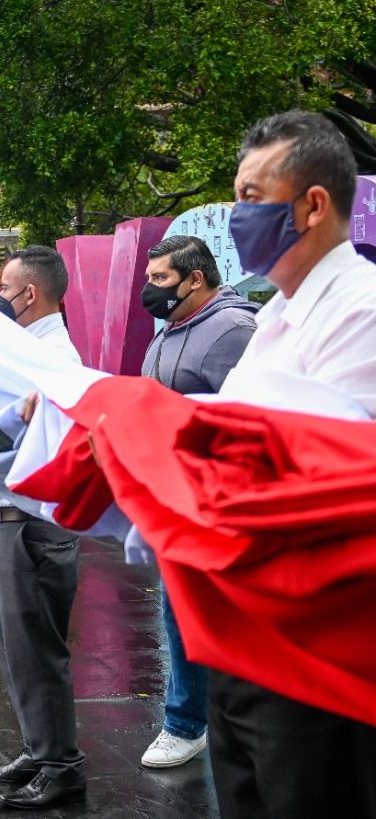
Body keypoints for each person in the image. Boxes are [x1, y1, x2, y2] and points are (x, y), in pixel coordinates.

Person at [205, 110, 376, 818]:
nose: (238, 215)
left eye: (251, 196)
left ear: (313, 203)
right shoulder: (276, 315)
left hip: (311, 649)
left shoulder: (360, 308)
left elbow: (314, 462)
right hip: (241, 635)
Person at [137, 235, 257, 769]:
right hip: (174, 495)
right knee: (180, 609)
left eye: (160, 279)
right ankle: (196, 720)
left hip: (220, 500)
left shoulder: (234, 331)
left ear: (196, 279)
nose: (149, 289)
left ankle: (188, 722)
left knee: (209, 611)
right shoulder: (166, 333)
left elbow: (248, 420)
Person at [0, 246, 88, 810]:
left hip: (30, 525)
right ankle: (40, 747)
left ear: (29, 293)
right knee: (17, 647)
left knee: (38, 648)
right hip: (9, 522)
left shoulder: (52, 358)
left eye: (3, 285)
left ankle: (61, 766)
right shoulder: (25, 349)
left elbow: (41, 443)